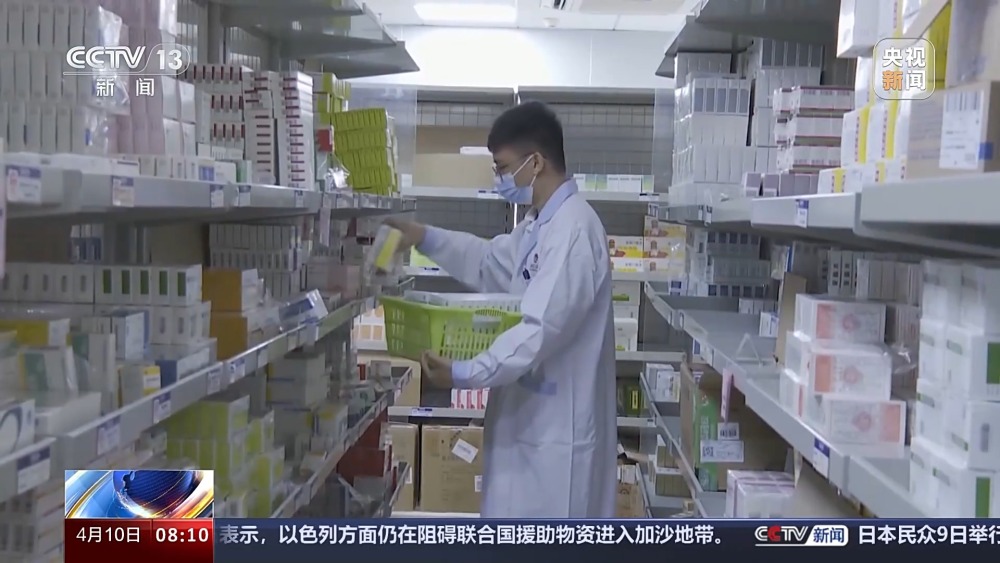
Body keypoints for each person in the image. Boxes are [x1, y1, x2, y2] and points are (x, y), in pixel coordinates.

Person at [387, 101, 617, 518]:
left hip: (557, 436)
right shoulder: (537, 225)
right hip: (525, 421)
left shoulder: (574, 230)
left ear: (536, 162)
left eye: (504, 168)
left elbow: (539, 329)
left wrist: (464, 373)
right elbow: (488, 261)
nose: (500, 179)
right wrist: (424, 236)